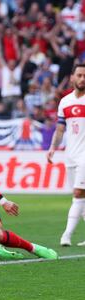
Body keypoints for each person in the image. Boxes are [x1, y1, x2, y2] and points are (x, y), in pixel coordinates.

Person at [47, 64, 85, 247]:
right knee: (80, 197)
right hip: (70, 154)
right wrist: (53, 147)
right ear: (72, 78)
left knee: (78, 194)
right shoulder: (65, 102)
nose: (82, 79)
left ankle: (66, 235)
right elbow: (60, 128)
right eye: (79, 75)